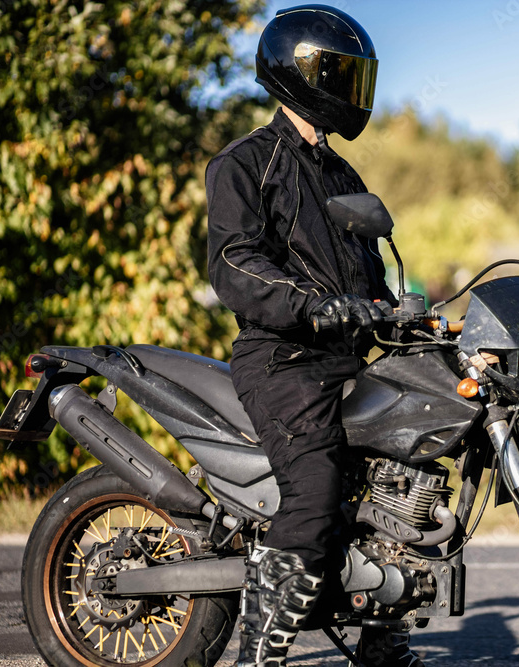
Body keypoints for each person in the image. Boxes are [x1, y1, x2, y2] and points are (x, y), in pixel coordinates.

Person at [205, 6, 422, 666]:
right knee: (317, 487)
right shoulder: (244, 163)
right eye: (340, 75)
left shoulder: (342, 175)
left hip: (347, 357)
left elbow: (366, 271)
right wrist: (313, 305)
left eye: (357, 78)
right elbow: (234, 262)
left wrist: (402, 311)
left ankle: (383, 638)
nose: (351, 91)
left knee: (412, 477)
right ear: (297, 73)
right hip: (284, 357)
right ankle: (258, 651)